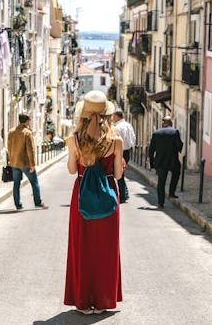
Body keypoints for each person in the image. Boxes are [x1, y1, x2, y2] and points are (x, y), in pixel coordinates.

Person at [64, 90, 124, 315]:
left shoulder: (74, 140)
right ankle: (102, 301)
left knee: (82, 249)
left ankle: (83, 302)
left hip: (81, 197)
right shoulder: (115, 141)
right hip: (108, 198)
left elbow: (72, 170)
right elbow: (117, 175)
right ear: (107, 115)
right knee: (105, 251)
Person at [7, 113, 47, 210]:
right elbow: (30, 150)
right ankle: (38, 202)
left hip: (14, 162)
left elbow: (9, 147)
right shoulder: (27, 133)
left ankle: (18, 205)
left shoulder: (11, 132)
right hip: (25, 162)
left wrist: (10, 159)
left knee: (16, 183)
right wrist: (32, 164)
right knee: (34, 182)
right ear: (26, 121)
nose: (29, 122)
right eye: (29, 120)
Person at [148, 116, 184, 208]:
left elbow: (151, 149)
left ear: (162, 123)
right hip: (173, 160)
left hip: (160, 161)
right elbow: (179, 145)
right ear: (171, 123)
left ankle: (161, 202)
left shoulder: (156, 133)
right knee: (176, 174)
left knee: (161, 182)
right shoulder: (175, 132)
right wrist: (178, 148)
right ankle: (172, 192)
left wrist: (152, 163)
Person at [112, 110, 136, 203]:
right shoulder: (129, 125)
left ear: (117, 117)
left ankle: (123, 195)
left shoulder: (117, 127)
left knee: (118, 173)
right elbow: (133, 138)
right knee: (121, 173)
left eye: (113, 116)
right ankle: (124, 193)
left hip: (119, 152)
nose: (112, 118)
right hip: (127, 152)